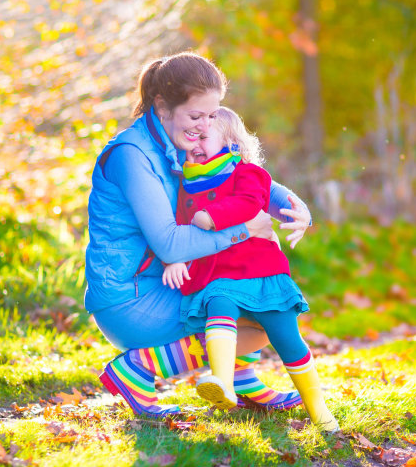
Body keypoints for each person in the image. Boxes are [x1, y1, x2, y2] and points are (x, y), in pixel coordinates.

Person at [87, 52, 311, 417]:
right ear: (162, 106)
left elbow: (237, 174)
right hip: (131, 298)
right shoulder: (132, 155)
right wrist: (244, 231)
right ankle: (139, 368)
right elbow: (169, 243)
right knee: (260, 312)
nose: (206, 128)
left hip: (165, 281)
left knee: (260, 291)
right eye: (196, 116)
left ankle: (242, 380)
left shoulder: (177, 139)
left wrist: (295, 206)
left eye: (212, 115)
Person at [161, 107, 339, 432]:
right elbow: (175, 227)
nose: (195, 143)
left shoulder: (249, 174)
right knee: (219, 306)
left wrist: (211, 216)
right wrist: (173, 258)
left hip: (262, 274)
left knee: (288, 339)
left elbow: (247, 203)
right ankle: (223, 383)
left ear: (231, 144)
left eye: (204, 137)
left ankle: (320, 410)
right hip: (220, 273)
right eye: (192, 138)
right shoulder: (188, 185)